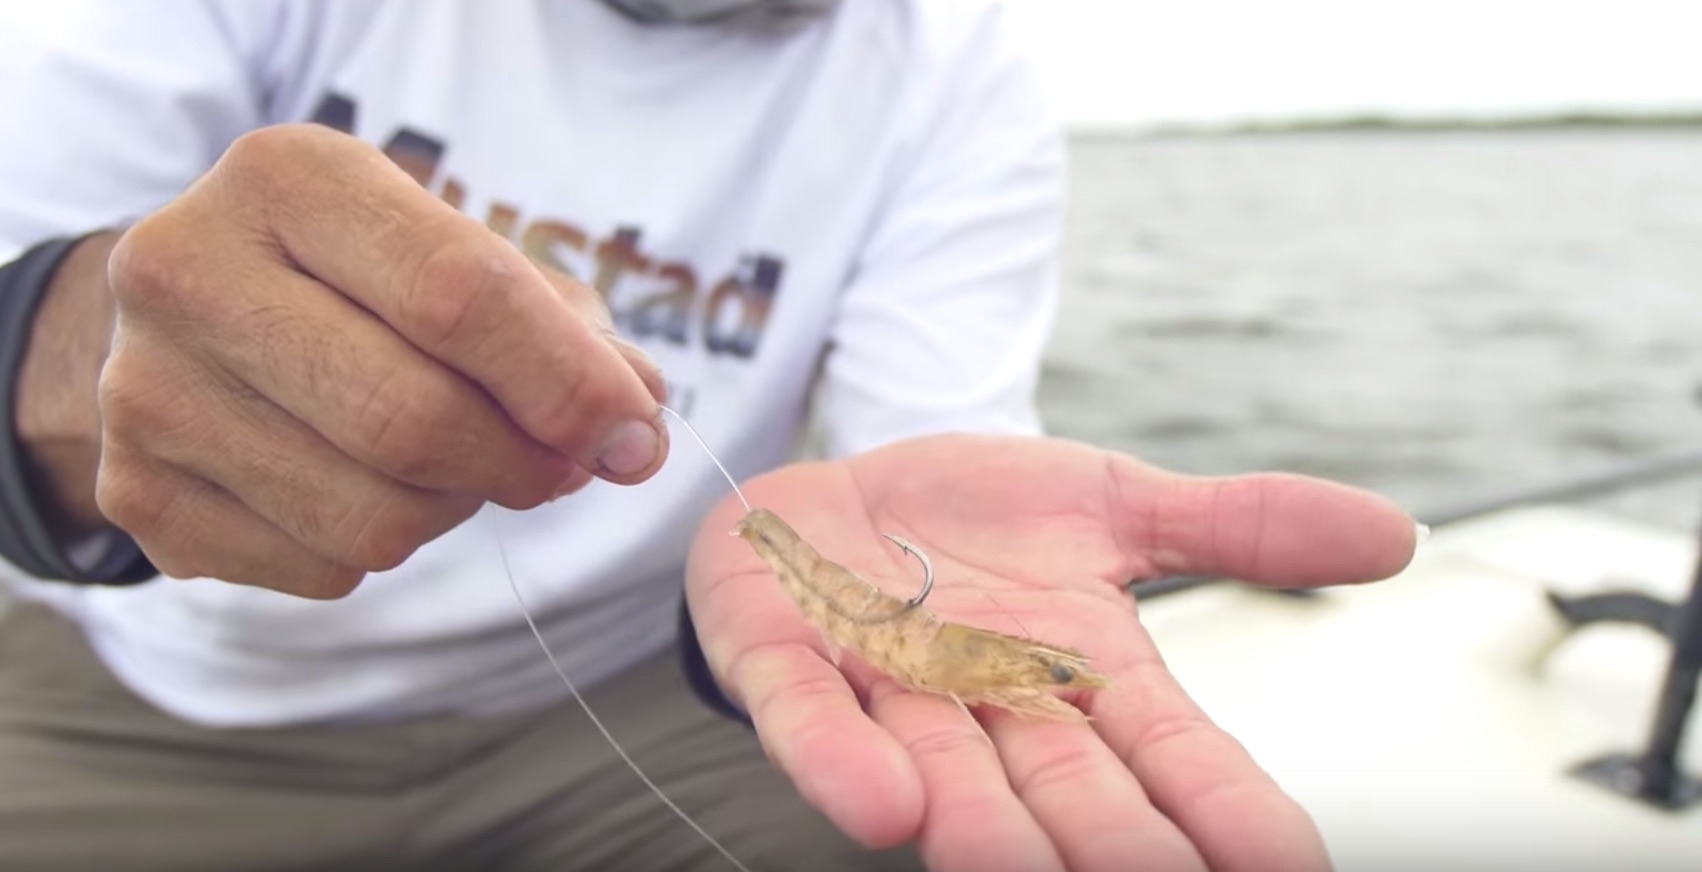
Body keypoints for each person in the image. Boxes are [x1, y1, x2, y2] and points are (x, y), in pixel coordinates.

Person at [0, 1, 1420, 870]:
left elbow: (928, 462)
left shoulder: (948, 60)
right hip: (142, 704)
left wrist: (921, 575)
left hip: (622, 703)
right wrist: (70, 341)